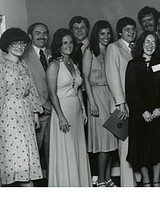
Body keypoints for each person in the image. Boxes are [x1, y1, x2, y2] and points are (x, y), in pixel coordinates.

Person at [47, 28, 92, 187]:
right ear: (58, 45)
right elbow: (52, 94)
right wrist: (61, 117)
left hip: (76, 110)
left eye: (71, 42)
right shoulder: (54, 65)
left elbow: (78, 88)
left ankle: (79, 184)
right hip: (62, 110)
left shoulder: (73, 62)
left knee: (77, 147)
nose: (69, 46)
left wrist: (83, 109)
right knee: (66, 149)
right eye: (64, 43)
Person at [0, 28, 43, 186]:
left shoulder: (24, 64)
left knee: (26, 158)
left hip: (25, 115)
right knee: (13, 160)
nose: (20, 47)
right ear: (7, 45)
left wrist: (36, 114)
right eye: (15, 43)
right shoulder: (2, 65)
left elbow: (31, 89)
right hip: (8, 116)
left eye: (22, 43)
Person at [125, 31, 160, 187]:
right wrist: (143, 111)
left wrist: (159, 108)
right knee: (142, 150)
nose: (150, 45)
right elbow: (131, 91)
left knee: (157, 149)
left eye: (153, 42)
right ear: (141, 44)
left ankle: (156, 181)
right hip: (139, 115)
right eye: (147, 42)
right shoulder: (133, 64)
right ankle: (146, 181)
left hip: (157, 113)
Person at [82, 20, 118, 187]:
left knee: (112, 140)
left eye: (108, 33)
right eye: (102, 34)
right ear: (96, 34)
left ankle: (108, 177)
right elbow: (86, 79)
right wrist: (92, 103)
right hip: (96, 96)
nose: (106, 37)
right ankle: (101, 180)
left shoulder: (111, 50)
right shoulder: (89, 51)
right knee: (104, 141)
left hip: (111, 95)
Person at [105, 17, 137, 187]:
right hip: (122, 105)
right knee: (124, 146)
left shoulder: (136, 48)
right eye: (127, 29)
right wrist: (120, 103)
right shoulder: (113, 48)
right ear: (120, 32)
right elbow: (112, 76)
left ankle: (134, 182)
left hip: (135, 104)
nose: (131, 32)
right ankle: (127, 185)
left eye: (133, 29)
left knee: (134, 145)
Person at [22, 22, 52, 179]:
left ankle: (52, 182)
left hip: (54, 110)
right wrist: (40, 106)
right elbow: (26, 86)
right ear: (30, 36)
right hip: (36, 112)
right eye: (38, 33)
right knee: (34, 150)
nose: (42, 36)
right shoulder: (23, 56)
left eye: (45, 33)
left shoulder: (52, 53)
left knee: (52, 151)